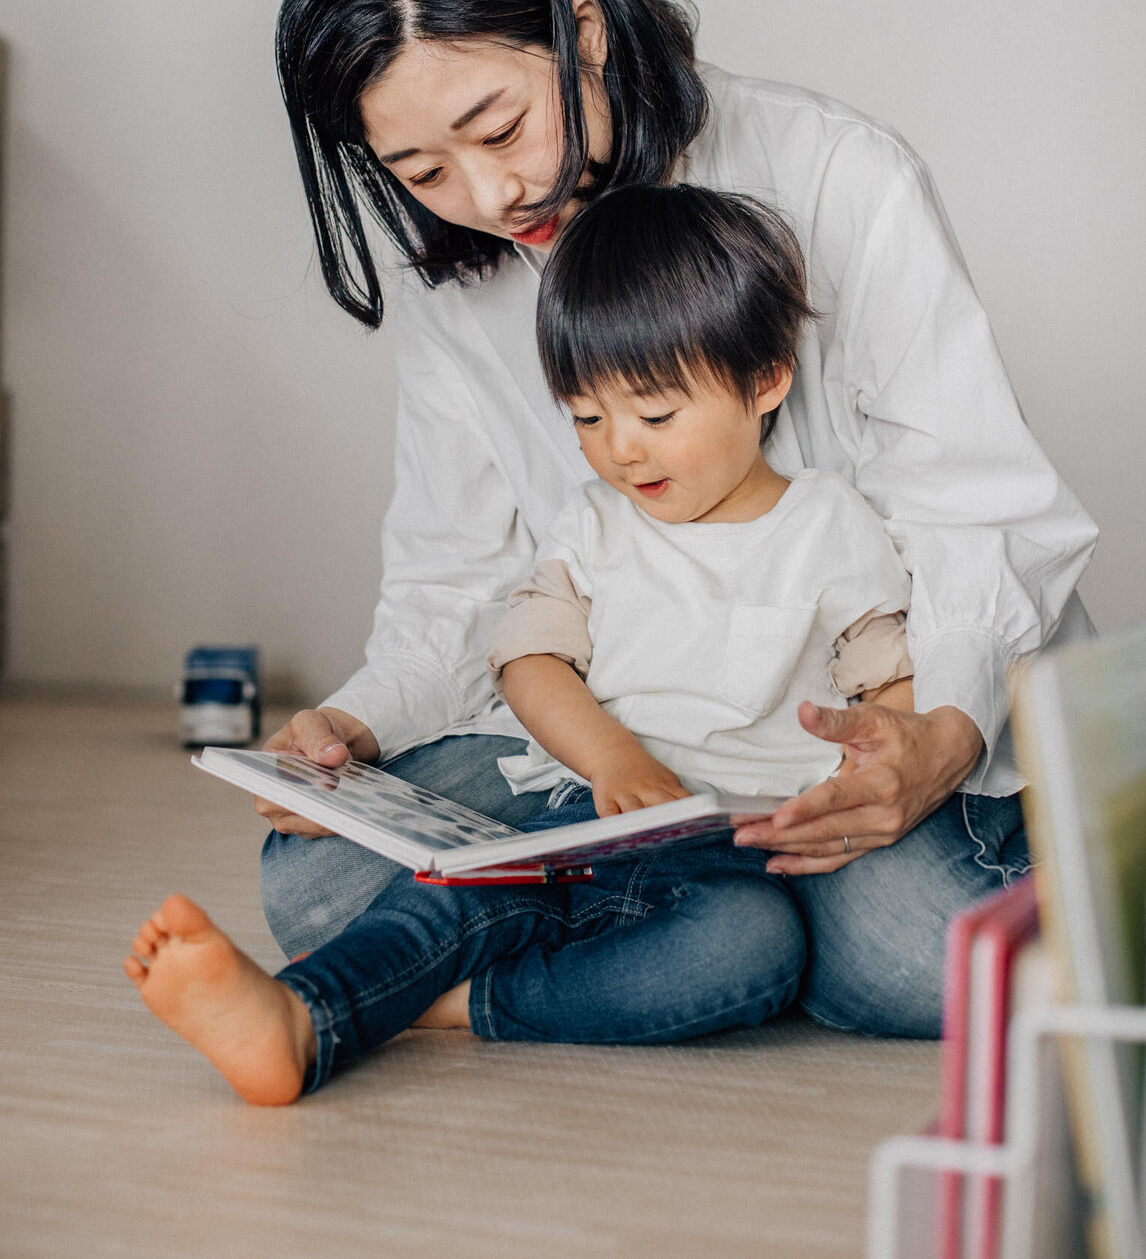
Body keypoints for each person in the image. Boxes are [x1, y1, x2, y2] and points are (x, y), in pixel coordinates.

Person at [257, 0, 1097, 1038]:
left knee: (916, 963)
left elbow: (972, 509)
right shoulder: (461, 286)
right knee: (312, 882)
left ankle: (654, 944)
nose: (492, 195)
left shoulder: (835, 175)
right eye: (422, 172)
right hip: (623, 754)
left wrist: (936, 740)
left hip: (841, 739)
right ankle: (715, 938)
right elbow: (459, 586)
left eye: (501, 128)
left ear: (583, 34)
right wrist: (350, 727)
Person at [123, 183, 926, 1101]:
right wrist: (613, 760)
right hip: (584, 812)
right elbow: (530, 660)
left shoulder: (830, 523)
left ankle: (455, 1006)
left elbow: (884, 682)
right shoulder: (594, 525)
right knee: (460, 896)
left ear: (766, 380)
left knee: (754, 952)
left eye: (655, 416)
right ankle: (301, 1014)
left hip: (734, 853)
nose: (622, 450)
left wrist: (865, 773)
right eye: (586, 418)